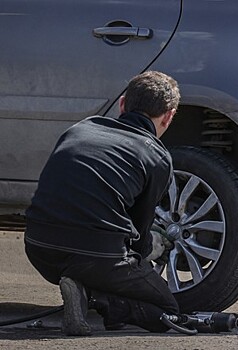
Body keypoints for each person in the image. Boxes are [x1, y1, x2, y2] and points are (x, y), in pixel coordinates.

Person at [24, 71, 181, 336]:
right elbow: (139, 234)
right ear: (169, 116)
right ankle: (97, 298)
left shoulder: (81, 128)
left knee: (100, 264)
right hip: (97, 257)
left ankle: (85, 287)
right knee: (169, 313)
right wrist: (150, 253)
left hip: (39, 248)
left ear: (122, 104)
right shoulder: (157, 156)